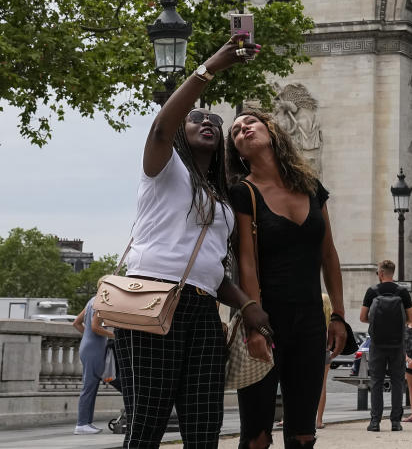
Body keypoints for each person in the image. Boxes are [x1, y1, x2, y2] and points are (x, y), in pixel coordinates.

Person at [114, 33, 271, 448]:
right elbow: (161, 126)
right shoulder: (162, 170)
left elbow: (211, 270)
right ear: (181, 132)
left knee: (205, 427)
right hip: (152, 299)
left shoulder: (220, 200)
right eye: (197, 119)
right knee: (146, 423)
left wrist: (247, 305)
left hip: (203, 310)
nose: (208, 123)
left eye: (215, 123)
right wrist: (209, 68)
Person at [227, 109, 348, 449]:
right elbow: (246, 264)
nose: (242, 128)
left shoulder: (311, 187)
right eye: (236, 130)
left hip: (311, 319)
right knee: (257, 436)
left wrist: (338, 314)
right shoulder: (242, 193)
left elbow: (329, 253)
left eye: (250, 122)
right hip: (266, 318)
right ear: (237, 150)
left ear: (272, 130)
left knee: (303, 433)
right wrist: (254, 326)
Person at [359, 259, 412, 432]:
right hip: (397, 344)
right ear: (392, 273)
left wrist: (376, 322)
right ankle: (396, 422)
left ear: (381, 273)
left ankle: (375, 422)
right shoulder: (403, 292)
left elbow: (362, 317)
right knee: (397, 382)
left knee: (376, 382)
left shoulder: (372, 291)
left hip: (377, 343)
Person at [72, 295, 115, 435]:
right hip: (94, 349)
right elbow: (96, 327)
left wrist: (88, 336)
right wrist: (114, 336)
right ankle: (82, 424)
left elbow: (76, 323)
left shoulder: (92, 300)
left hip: (88, 346)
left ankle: (86, 423)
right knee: (89, 386)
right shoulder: (101, 302)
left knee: (91, 385)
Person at [315, 293, 333, 430]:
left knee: (298, 384)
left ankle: (290, 418)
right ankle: (319, 420)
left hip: (310, 350)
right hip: (325, 350)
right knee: (322, 386)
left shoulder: (311, 317)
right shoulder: (329, 320)